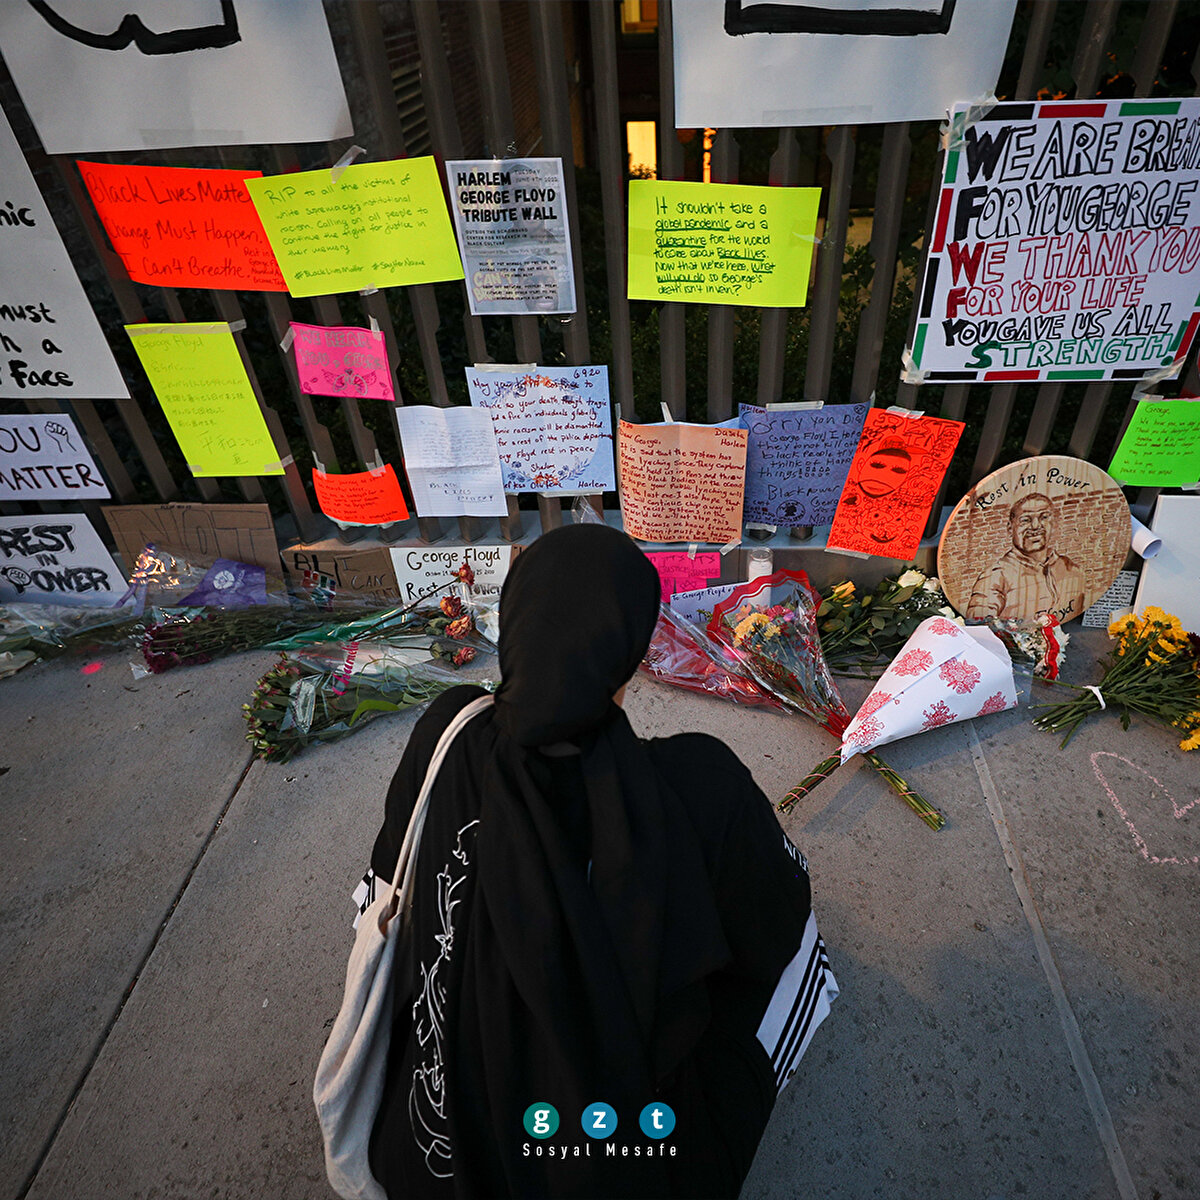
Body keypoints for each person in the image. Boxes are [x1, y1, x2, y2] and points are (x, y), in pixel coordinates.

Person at [355, 523, 838, 1199]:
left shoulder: (448, 733)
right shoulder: (695, 784)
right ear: (630, 654)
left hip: (431, 1161)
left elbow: (380, 896)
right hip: (627, 1165)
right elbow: (777, 923)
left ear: (514, 626)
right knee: (797, 945)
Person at [966, 492, 1088, 623]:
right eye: (1025, 520)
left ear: (1054, 524)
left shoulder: (1072, 570)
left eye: (1044, 517)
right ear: (1010, 528)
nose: (1035, 526)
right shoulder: (997, 576)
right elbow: (979, 624)